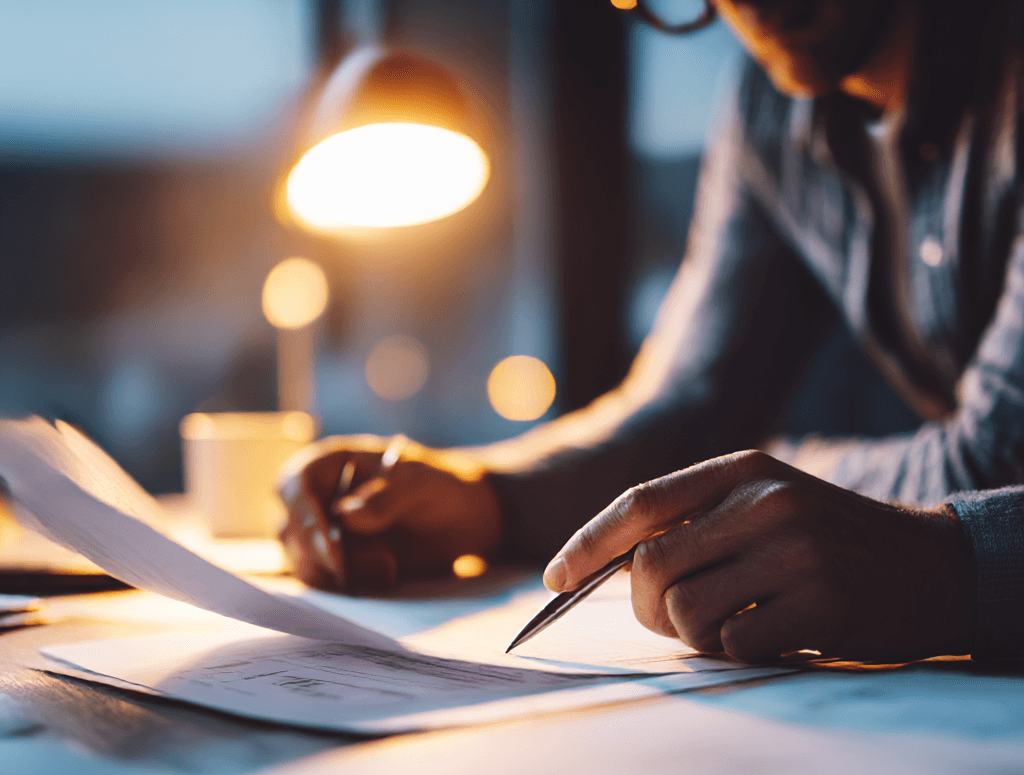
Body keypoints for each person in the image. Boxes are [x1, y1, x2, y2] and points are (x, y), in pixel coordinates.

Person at [279, 0, 1024, 663]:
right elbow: (691, 405)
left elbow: (997, 458)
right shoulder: (768, 102)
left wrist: (766, 483)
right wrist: (489, 496)